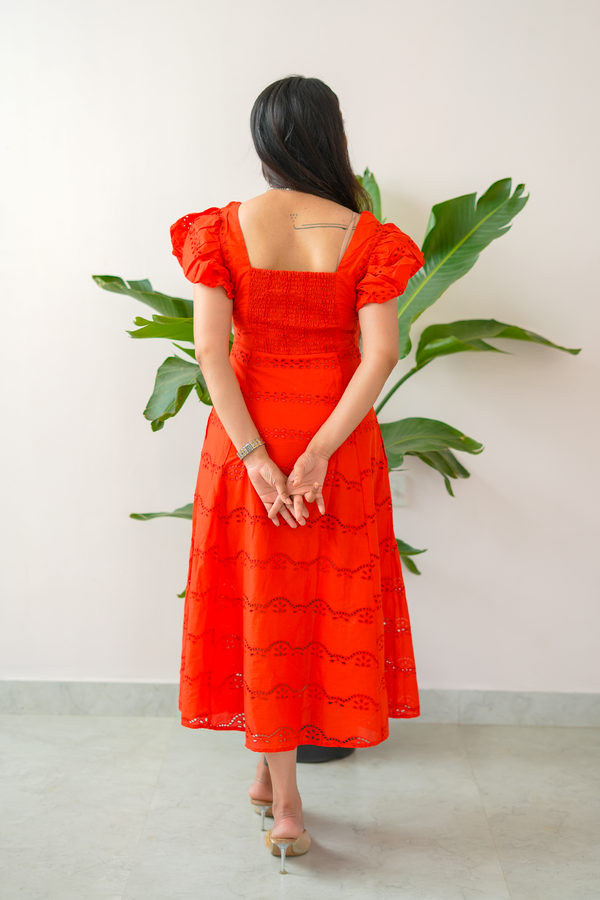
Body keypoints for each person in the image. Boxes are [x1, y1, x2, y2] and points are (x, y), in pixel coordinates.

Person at [170, 75, 424, 872]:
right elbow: (381, 352)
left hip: (247, 442)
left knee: (261, 610)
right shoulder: (369, 238)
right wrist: (317, 453)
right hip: (335, 447)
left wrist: (256, 457)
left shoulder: (223, 229)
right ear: (330, 139)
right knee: (316, 612)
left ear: (265, 142)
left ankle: (279, 796)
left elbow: (213, 352)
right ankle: (278, 793)